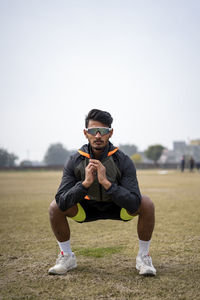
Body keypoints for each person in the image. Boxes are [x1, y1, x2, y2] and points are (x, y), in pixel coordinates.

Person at [48, 109, 156, 276]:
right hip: (85, 209)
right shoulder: (74, 160)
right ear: (86, 133)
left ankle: (143, 257)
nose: (98, 136)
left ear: (110, 133)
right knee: (54, 207)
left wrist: (107, 183)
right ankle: (66, 255)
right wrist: (84, 184)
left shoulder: (123, 160)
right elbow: (62, 202)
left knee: (146, 203)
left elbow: (134, 203)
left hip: (118, 207)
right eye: (92, 131)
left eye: (103, 131)